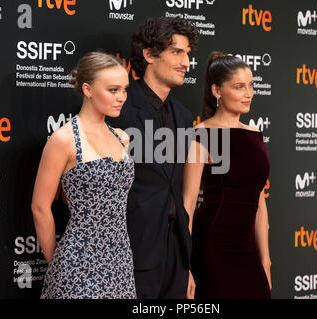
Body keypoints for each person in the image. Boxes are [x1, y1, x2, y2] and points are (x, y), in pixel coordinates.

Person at [105, 17, 198, 299]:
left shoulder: (183, 116)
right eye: (176, 52)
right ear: (149, 55)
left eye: (188, 53)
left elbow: (179, 188)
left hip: (176, 251)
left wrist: (187, 263)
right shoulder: (119, 109)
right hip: (131, 250)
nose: (186, 62)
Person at [31, 51, 136, 299]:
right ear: (87, 90)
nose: (121, 97)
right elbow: (40, 207)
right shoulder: (64, 139)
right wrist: (57, 264)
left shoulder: (122, 137)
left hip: (120, 258)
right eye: (113, 90)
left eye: (124, 89)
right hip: (77, 260)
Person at [182, 51, 272, 298]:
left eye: (251, 86)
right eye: (239, 87)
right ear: (217, 91)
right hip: (213, 243)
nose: (248, 93)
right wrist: (185, 266)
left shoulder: (254, 133)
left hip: (248, 246)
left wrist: (265, 259)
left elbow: (259, 201)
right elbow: (188, 204)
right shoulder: (201, 135)